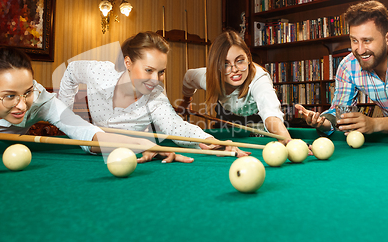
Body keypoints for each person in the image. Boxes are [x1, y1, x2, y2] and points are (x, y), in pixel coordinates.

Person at [0, 47, 166, 160]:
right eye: (9, 96)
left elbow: (87, 134)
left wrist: (140, 144)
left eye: (27, 92)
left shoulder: (41, 101)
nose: (22, 106)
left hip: (7, 150)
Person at [57, 31, 249, 162]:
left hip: (142, 158)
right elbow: (72, 71)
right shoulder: (100, 73)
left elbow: (175, 126)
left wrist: (215, 144)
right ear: (128, 62)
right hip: (96, 148)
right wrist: (65, 118)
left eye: (161, 72)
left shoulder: (155, 95)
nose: (155, 80)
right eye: (148, 70)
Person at [295, 0, 388, 136]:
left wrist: (374, 124)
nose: (360, 50)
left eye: (367, 40)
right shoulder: (347, 66)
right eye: (354, 40)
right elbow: (339, 111)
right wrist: (322, 122)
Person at [179, 30, 292, 142]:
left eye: (240, 61)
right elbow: (189, 77)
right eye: (225, 64)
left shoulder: (259, 80)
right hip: (225, 130)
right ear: (216, 66)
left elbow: (271, 114)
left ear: (248, 58)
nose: (235, 70)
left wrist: (286, 140)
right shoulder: (209, 78)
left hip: (258, 131)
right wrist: (186, 101)